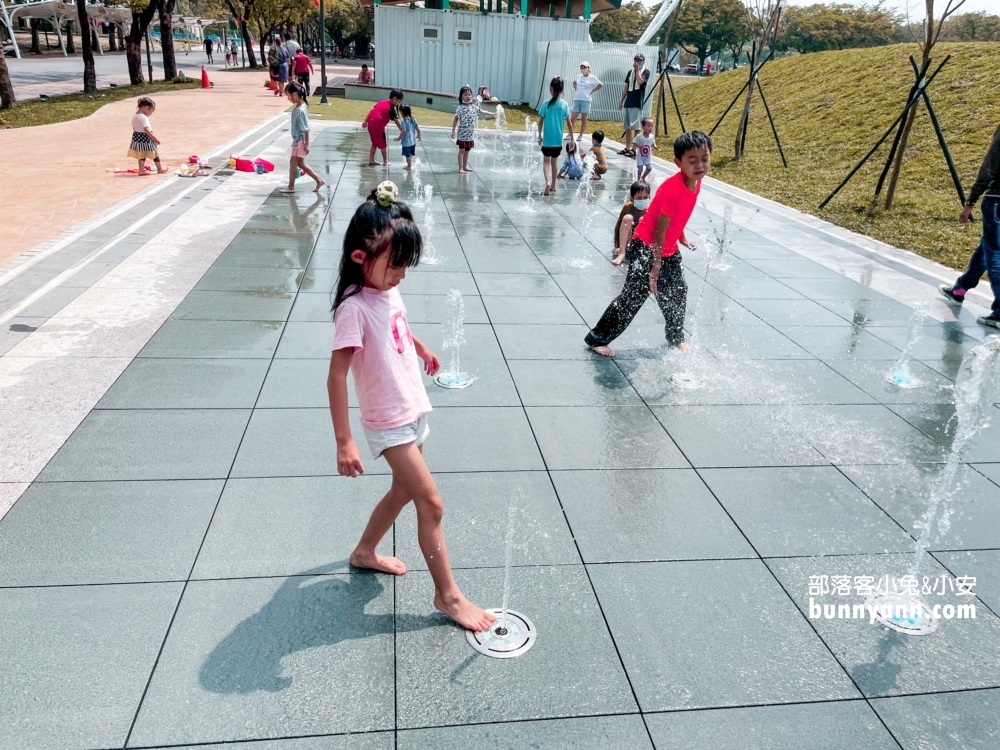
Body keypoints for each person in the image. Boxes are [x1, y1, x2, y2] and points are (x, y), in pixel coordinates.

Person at [328, 181, 497, 633]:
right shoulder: (353, 308)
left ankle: (364, 552)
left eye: (406, 265)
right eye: (395, 265)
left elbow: (397, 322)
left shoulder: (385, 291)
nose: (401, 274)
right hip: (388, 423)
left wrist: (419, 348)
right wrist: (345, 441)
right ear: (361, 258)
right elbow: (336, 375)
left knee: (403, 493)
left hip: (412, 409)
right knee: (432, 503)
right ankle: (448, 596)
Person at [584, 131, 712, 357]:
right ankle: (597, 338)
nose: (699, 165)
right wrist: (655, 267)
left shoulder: (695, 183)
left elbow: (677, 218)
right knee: (633, 296)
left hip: (667, 248)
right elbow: (659, 231)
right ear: (678, 162)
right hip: (646, 247)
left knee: (677, 292)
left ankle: (675, 336)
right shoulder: (672, 188)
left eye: (705, 158)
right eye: (692, 161)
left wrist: (682, 239)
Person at [940, 124, 1000, 328]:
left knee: (995, 254)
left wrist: (970, 201)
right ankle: (960, 290)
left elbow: (989, 167)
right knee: (987, 248)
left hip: (997, 201)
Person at [280, 82, 325, 193]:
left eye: (288, 95)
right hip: (299, 140)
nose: (288, 98)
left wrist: (306, 144)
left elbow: (305, 128)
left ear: (295, 94)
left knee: (293, 162)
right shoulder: (302, 106)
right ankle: (319, 180)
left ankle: (291, 187)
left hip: (299, 141)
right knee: (300, 163)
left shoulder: (299, 111)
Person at [450, 85, 495, 174]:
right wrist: (453, 130)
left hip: (470, 133)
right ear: (461, 96)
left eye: (469, 94)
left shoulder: (474, 107)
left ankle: (465, 167)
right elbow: (456, 119)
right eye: (465, 95)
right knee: (462, 150)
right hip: (462, 133)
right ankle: (460, 168)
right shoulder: (460, 108)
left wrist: (492, 114)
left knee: (467, 151)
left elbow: (482, 111)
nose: (468, 96)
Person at [537, 76, 570, 195]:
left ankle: (547, 182)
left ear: (551, 89)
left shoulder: (546, 104)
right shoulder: (564, 105)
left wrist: (539, 135)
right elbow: (569, 123)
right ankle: (554, 186)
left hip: (548, 140)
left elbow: (540, 121)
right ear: (562, 90)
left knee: (546, 162)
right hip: (557, 141)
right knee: (554, 162)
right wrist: (571, 138)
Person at [618, 53, 650, 157]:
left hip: (637, 102)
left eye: (640, 60)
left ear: (643, 61)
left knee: (636, 127)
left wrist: (637, 70)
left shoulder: (645, 72)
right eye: (636, 60)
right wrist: (621, 101)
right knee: (627, 127)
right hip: (629, 101)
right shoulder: (629, 72)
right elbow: (626, 87)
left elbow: (640, 81)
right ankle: (627, 147)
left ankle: (634, 149)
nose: (637, 62)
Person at [612, 180, 650, 266]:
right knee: (627, 218)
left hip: (645, 242)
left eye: (645, 197)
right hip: (630, 239)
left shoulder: (650, 210)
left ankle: (642, 251)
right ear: (631, 199)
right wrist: (618, 245)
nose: (642, 200)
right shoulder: (628, 207)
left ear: (649, 197)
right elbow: (619, 225)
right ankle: (622, 253)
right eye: (639, 198)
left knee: (642, 219)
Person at [362, 90, 403, 166]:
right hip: (378, 126)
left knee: (374, 143)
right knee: (383, 144)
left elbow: (372, 110)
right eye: (398, 101)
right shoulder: (390, 109)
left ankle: (371, 159)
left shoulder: (382, 102)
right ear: (394, 99)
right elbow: (397, 121)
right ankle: (385, 161)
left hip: (371, 123)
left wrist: (365, 121)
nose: (398, 104)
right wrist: (402, 130)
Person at [127, 96, 166, 175]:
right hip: (146, 137)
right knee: (155, 153)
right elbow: (146, 129)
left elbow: (134, 127)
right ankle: (160, 169)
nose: (150, 114)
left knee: (142, 154)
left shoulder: (135, 115)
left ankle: (141, 170)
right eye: (151, 111)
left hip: (137, 137)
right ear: (147, 108)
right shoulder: (144, 117)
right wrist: (155, 139)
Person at [570, 62, 602, 141]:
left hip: (586, 100)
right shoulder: (579, 76)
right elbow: (574, 82)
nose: (583, 69)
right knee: (573, 118)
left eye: (585, 68)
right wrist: (576, 88)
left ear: (588, 68)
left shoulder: (592, 78)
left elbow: (600, 84)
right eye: (582, 68)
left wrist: (592, 90)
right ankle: (570, 134)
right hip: (577, 99)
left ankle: (580, 135)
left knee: (583, 119)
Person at [394, 104, 421, 170]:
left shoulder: (404, 121)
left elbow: (404, 131)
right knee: (410, 154)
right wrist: (419, 136)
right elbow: (418, 129)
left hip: (406, 142)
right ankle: (410, 164)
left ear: (402, 112)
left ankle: (409, 166)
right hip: (413, 142)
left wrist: (399, 138)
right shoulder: (413, 120)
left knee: (407, 155)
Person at [633, 117, 655, 181]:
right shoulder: (639, 136)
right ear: (643, 127)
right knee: (640, 169)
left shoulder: (652, 136)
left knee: (649, 168)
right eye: (648, 126)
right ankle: (638, 179)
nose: (650, 127)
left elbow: (653, 142)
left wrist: (655, 145)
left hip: (648, 156)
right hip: (640, 156)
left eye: (652, 126)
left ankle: (643, 177)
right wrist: (639, 146)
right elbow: (634, 142)